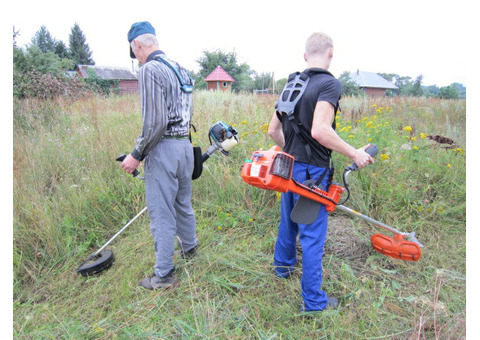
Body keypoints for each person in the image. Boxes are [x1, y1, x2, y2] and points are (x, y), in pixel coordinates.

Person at [267, 32, 374, 312]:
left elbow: (272, 130)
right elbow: (320, 130)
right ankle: (314, 302)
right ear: (331, 53)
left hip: (287, 166)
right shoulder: (329, 84)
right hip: (313, 172)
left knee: (289, 221)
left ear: (305, 56)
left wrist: (292, 152)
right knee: (313, 236)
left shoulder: (292, 83)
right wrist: (355, 153)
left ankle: (283, 268)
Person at [121, 21, 198, 290]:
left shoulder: (149, 70)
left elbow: (154, 122)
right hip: (185, 147)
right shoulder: (182, 70)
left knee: (161, 213)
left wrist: (136, 154)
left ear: (138, 45)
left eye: (136, 53)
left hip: (164, 148)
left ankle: (164, 275)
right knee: (182, 204)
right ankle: (190, 250)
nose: (137, 59)